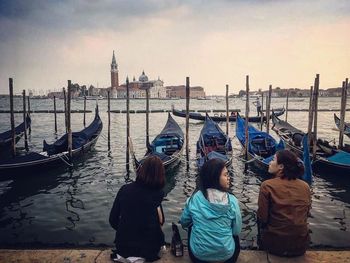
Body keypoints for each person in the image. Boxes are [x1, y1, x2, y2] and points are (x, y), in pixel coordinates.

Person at [180, 159, 242, 263]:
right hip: (227, 257)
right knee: (234, 234)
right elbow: (236, 231)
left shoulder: (194, 199)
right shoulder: (232, 201)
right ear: (215, 178)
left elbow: (184, 222)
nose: (228, 178)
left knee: (191, 225)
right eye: (225, 175)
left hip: (198, 257)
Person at [109, 156, 166, 261]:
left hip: (123, 247)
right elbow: (161, 221)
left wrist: (127, 229)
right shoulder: (158, 194)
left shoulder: (124, 189)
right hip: (148, 250)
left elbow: (112, 220)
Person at [257, 149, 311, 257]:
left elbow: (262, 217)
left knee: (259, 217)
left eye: (273, 160)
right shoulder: (305, 186)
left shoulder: (267, 185)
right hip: (300, 246)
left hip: (275, 246)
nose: (270, 162)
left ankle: (261, 246)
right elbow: (306, 213)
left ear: (281, 167)